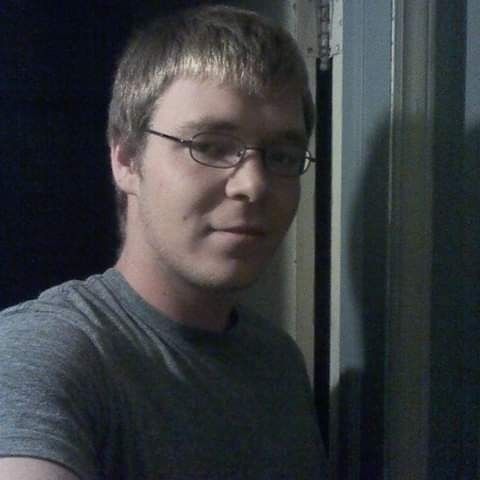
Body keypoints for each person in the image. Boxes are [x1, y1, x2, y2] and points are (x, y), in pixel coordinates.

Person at [0, 5, 327, 479]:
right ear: (127, 160)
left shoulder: (278, 364)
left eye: (281, 155)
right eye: (210, 146)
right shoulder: (48, 352)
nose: (254, 185)